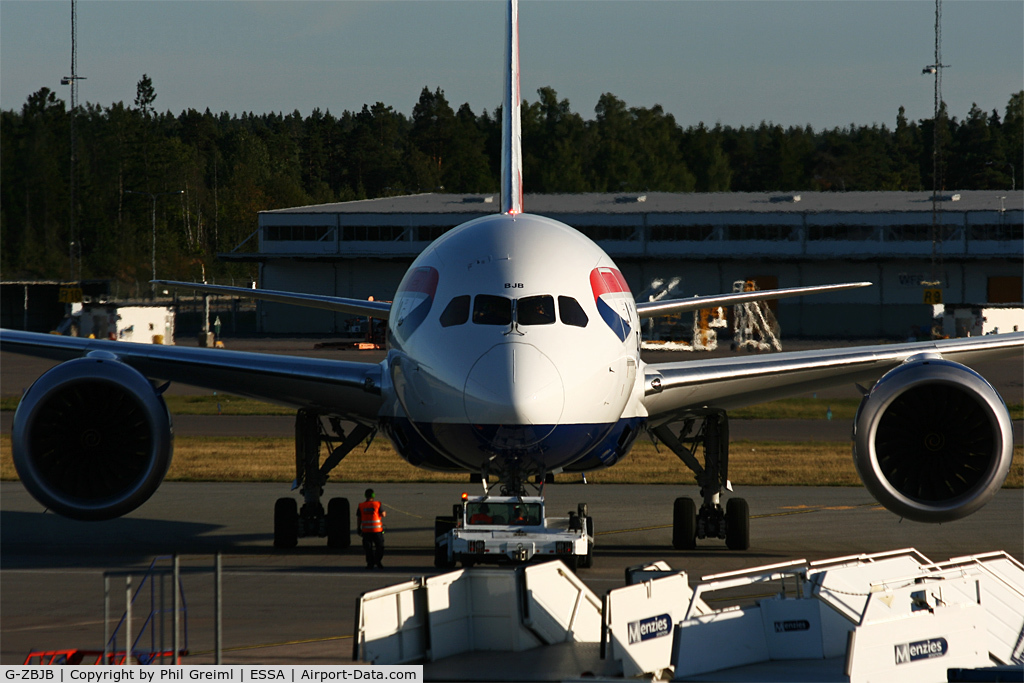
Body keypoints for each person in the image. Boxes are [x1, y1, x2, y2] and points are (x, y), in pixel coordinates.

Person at [356, 488, 386, 569]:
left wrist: (358, 528)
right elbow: (383, 514)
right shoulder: (378, 504)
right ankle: (378, 561)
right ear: (373, 495)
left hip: (366, 531)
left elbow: (359, 518)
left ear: (365, 495)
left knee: (368, 549)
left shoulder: (361, 506)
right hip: (377, 531)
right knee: (380, 547)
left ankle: (370, 564)